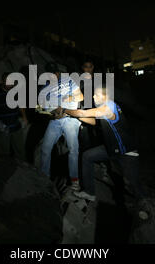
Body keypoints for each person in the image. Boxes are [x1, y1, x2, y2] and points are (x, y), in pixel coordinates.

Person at [63, 87, 148, 218]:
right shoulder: (103, 109)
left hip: (126, 151)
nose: (93, 98)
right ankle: (89, 192)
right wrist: (71, 114)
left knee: (133, 182)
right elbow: (92, 120)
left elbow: (83, 113)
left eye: (96, 95)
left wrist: (65, 110)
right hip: (111, 148)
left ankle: (145, 210)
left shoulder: (109, 107)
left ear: (105, 96)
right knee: (87, 156)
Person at [39, 63, 84, 191]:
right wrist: (52, 112)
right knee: (45, 149)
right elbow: (43, 106)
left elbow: (80, 96)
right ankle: (44, 178)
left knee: (73, 150)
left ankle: (74, 180)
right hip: (55, 121)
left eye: (56, 73)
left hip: (70, 119)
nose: (54, 75)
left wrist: (69, 97)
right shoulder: (45, 86)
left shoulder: (68, 81)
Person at [0, 72, 28, 160]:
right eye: (7, 81)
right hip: (2, 128)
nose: (10, 84)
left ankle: (22, 169)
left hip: (16, 126)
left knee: (20, 150)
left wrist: (24, 117)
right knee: (4, 152)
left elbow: (21, 106)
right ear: (2, 81)